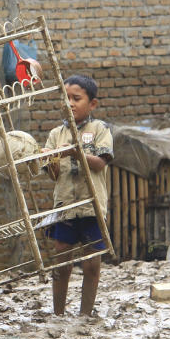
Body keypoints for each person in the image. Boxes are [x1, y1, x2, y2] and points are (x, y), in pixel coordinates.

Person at [41, 74, 113, 317]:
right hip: (65, 207)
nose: (70, 103)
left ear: (92, 104)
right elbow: (52, 173)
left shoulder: (100, 130)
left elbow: (100, 163)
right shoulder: (55, 134)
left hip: (91, 208)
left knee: (92, 264)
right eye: (66, 98)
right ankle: (58, 314)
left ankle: (85, 315)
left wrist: (75, 152)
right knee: (61, 263)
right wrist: (47, 159)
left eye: (76, 98)